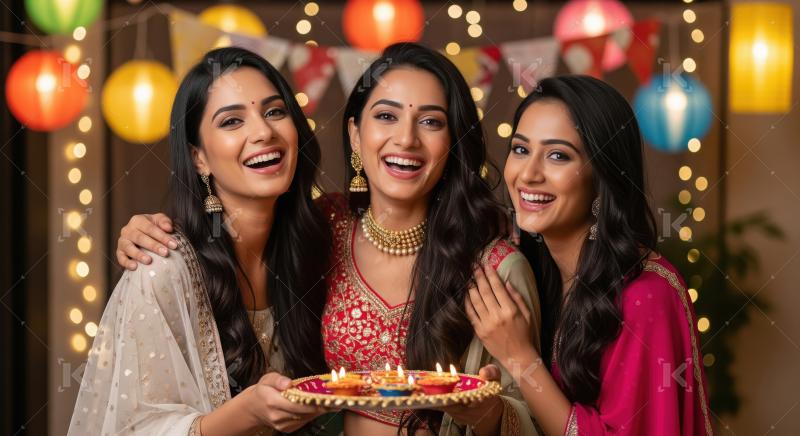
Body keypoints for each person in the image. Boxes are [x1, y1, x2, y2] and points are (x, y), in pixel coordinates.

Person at [114, 43, 541, 436]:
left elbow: (535, 417)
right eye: (387, 116)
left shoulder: (494, 268)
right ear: (356, 134)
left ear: (453, 142)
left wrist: (488, 413)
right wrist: (154, 230)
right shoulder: (325, 230)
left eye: (430, 121)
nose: (407, 138)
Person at [68, 47, 338, 435]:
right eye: (231, 121)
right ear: (199, 159)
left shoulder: (319, 245)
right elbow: (134, 429)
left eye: (275, 111)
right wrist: (247, 413)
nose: (263, 132)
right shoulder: (161, 266)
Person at [465, 75, 712, 435]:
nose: (528, 174)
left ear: (602, 176)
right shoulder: (537, 272)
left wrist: (520, 357)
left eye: (558, 156)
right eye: (520, 149)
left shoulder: (646, 295)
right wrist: (490, 414)